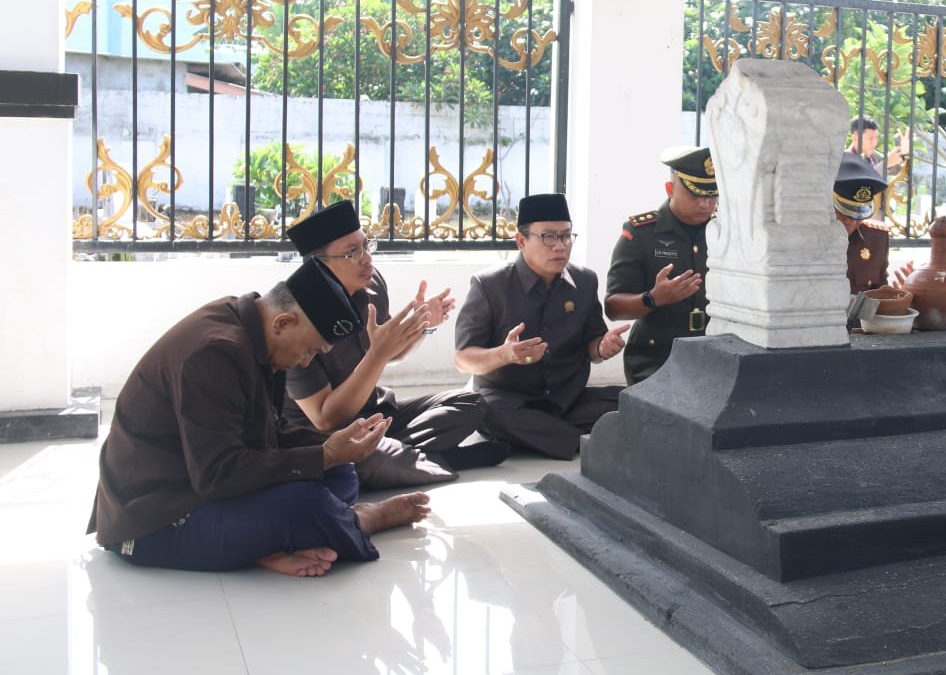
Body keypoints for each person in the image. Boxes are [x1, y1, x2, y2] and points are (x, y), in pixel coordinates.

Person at [88, 258, 431, 577]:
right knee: (306, 504)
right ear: (284, 322)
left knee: (341, 474)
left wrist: (332, 448)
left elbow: (264, 431)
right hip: (156, 518)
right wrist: (323, 454)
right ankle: (363, 519)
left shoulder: (252, 326)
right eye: (310, 349)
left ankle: (266, 544)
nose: (305, 362)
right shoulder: (214, 353)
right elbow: (218, 475)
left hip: (205, 488)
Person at [282, 201, 509, 490]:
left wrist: (420, 325)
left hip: (376, 414)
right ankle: (419, 458)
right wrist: (379, 354)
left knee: (472, 402)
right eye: (352, 252)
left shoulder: (372, 284)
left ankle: (402, 457)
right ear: (319, 265)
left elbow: (390, 353)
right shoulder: (295, 319)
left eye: (367, 246)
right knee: (365, 459)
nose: (366, 259)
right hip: (329, 435)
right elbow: (326, 418)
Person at [453, 193, 630, 459]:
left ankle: (544, 437)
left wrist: (603, 347)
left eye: (566, 236)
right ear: (521, 241)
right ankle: (583, 442)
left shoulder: (584, 281)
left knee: (632, 401)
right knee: (484, 409)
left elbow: (592, 346)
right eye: (548, 237)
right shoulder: (489, 285)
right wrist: (506, 354)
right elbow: (463, 359)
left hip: (566, 401)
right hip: (509, 400)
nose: (560, 246)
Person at [605, 146, 717, 384]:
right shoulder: (641, 233)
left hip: (715, 354)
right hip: (656, 357)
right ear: (670, 189)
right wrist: (654, 298)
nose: (706, 204)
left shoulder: (725, 233)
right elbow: (613, 307)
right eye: (696, 194)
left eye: (712, 195)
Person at [834, 152, 891, 293]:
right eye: (842, 212)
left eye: (857, 215)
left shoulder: (877, 238)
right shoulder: (808, 239)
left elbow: (881, 295)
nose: (850, 220)